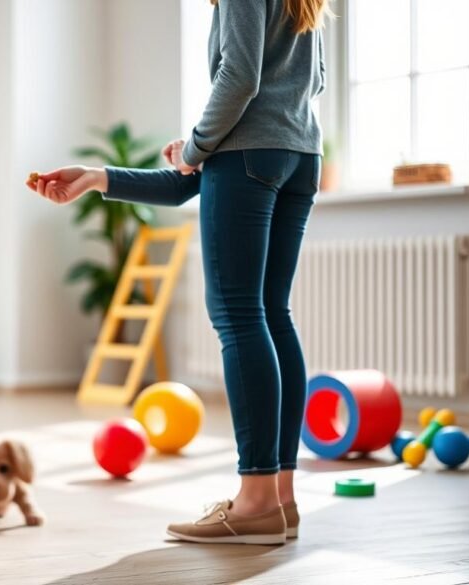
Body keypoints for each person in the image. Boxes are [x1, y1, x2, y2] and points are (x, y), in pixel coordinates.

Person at [27, 0, 327, 545]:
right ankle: (279, 498)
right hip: (301, 154)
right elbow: (314, 80)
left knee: (238, 315)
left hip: (251, 155)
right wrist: (101, 175)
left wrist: (198, 146)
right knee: (272, 314)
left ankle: (255, 498)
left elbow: (239, 76)